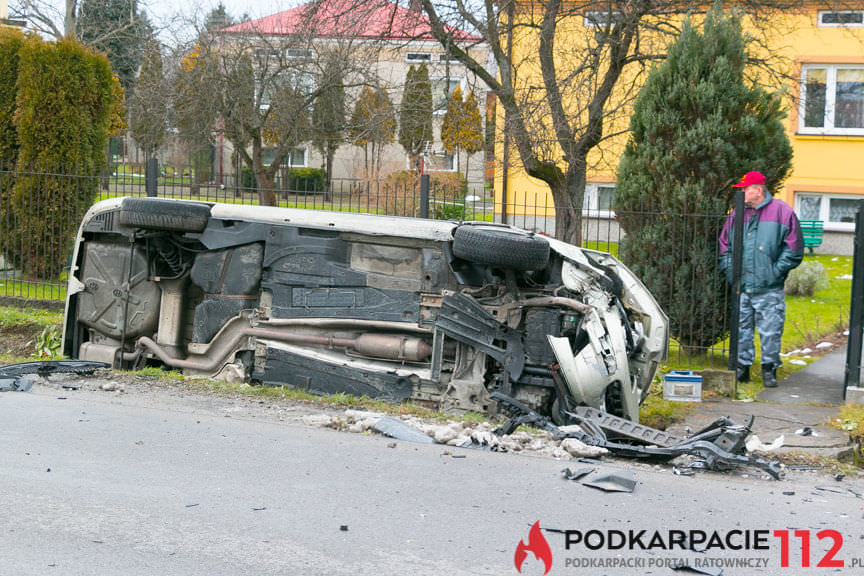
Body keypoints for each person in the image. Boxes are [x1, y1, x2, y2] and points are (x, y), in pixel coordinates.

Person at [719, 171, 804, 388]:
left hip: (769, 287)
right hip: (742, 285)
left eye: (745, 189)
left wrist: (775, 271)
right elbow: (725, 246)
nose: (742, 192)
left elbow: (794, 249)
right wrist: (732, 273)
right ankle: (742, 369)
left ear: (758, 189)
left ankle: (769, 369)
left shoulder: (783, 212)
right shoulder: (737, 214)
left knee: (771, 330)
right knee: (741, 329)